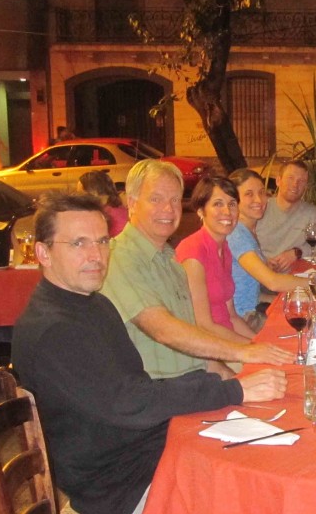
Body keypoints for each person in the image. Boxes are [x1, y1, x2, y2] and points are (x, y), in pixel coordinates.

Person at [13, 192, 285, 514]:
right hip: (112, 482)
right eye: (78, 244)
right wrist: (233, 390)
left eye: (101, 242)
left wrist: (213, 387)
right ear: (43, 252)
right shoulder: (55, 329)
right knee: (227, 488)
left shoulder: (90, 306)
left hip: (135, 447)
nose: (95, 255)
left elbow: (136, 390)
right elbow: (130, 403)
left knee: (248, 448)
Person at [100, 159, 291, 379]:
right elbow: (166, 331)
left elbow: (196, 337)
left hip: (197, 375)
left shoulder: (169, 257)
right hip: (160, 390)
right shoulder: (120, 258)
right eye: (156, 199)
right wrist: (246, 351)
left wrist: (235, 382)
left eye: (175, 200)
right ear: (132, 203)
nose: (168, 209)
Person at [175, 176, 255, 343]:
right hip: (209, 350)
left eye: (232, 204)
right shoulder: (193, 251)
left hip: (229, 339)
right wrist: (252, 349)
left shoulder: (224, 248)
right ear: (200, 211)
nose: (227, 212)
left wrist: (260, 343)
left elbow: (231, 316)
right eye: (218, 204)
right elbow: (203, 325)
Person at [227, 168, 304, 324]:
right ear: (234, 200)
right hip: (244, 318)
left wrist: (278, 300)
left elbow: (249, 290)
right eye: (249, 194)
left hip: (254, 307)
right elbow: (272, 282)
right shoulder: (237, 234)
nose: (259, 200)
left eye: (262, 192)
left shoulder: (248, 231)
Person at [256, 159, 316, 272]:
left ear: (306, 187)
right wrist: (264, 262)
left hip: (296, 282)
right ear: (278, 181)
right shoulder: (261, 209)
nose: (295, 184)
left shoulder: (314, 215)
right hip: (261, 280)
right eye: (290, 178)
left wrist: (297, 252)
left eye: (301, 181)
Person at [78, 170, 128, 237]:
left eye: (82, 194)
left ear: (94, 191)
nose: (80, 199)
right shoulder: (116, 208)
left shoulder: (108, 215)